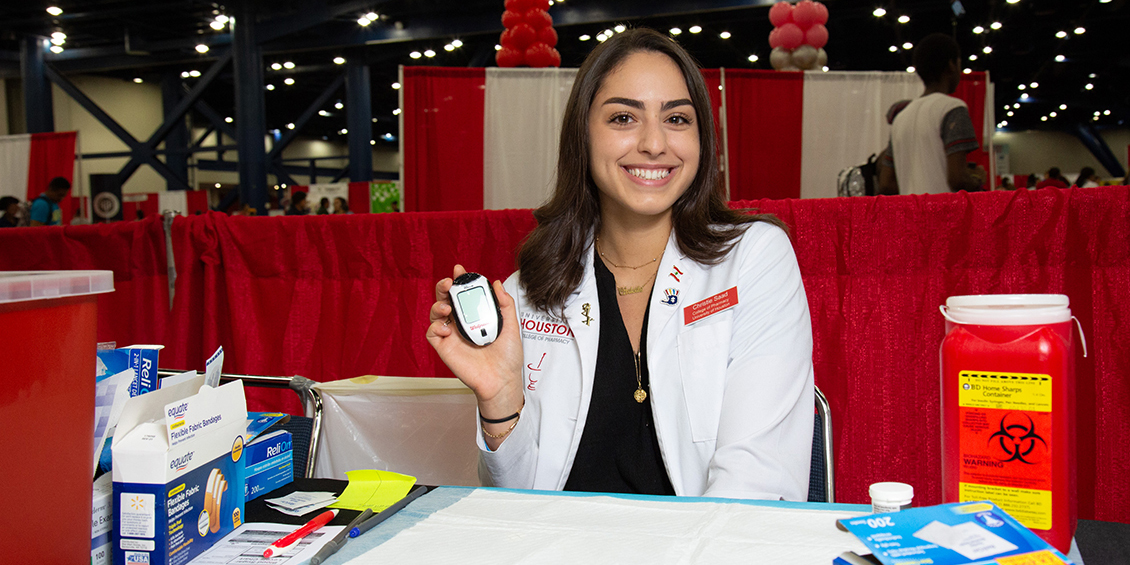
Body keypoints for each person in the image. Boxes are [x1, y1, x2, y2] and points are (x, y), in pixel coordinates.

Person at [426, 28, 814, 501]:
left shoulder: (753, 257)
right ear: (582, 135)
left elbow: (758, 480)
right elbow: (516, 506)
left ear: (701, 138)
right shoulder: (527, 292)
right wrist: (501, 399)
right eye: (624, 117)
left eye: (677, 118)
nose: (654, 143)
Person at [876, 34, 985, 195]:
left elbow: (885, 184)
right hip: (945, 215)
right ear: (951, 65)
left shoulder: (901, 118)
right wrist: (978, 179)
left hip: (912, 217)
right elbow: (957, 178)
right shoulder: (953, 108)